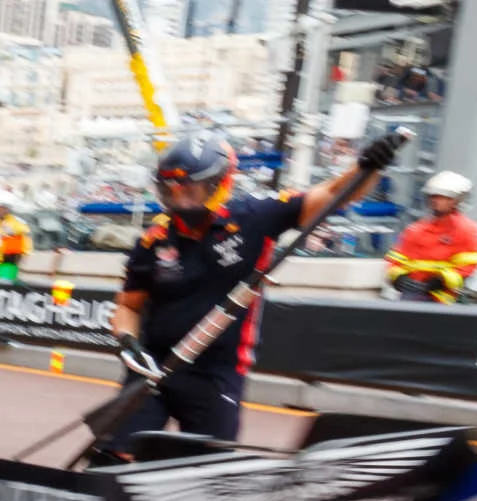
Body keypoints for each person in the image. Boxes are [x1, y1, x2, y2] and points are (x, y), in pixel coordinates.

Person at [103, 129, 404, 459]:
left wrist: (367, 166)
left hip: (216, 372)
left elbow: (334, 193)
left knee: (204, 469)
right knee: (114, 456)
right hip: (154, 365)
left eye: (190, 190)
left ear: (219, 184)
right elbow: (128, 306)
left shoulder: (255, 217)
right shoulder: (154, 240)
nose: (181, 200)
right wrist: (127, 341)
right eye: (171, 191)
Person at [385, 170, 477, 304]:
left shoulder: (466, 230)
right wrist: (398, 278)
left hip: (443, 299)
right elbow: (396, 259)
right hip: (411, 296)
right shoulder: (416, 229)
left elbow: (468, 266)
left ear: (457, 200)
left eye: (443, 197)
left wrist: (441, 280)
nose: (436, 201)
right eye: (433, 196)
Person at [0, 200, 31, 280]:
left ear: (5, 208)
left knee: (4, 285)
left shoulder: (15, 225)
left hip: (5, 268)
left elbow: (13, 254)